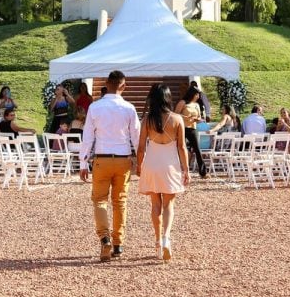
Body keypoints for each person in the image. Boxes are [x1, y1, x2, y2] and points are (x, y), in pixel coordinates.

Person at [79, 70, 140, 262]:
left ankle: (104, 238)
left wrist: (83, 161)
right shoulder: (129, 108)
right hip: (123, 158)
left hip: (102, 158)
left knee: (99, 200)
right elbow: (136, 137)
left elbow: (87, 136)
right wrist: (140, 160)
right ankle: (118, 244)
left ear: (107, 83)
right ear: (123, 86)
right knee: (120, 201)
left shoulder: (95, 107)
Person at [137, 83, 190, 262]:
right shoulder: (177, 119)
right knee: (169, 204)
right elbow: (182, 147)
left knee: (155, 204)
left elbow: (140, 147)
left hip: (151, 164)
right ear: (168, 98)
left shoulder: (146, 120)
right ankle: (166, 238)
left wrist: (139, 165)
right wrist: (186, 169)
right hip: (170, 165)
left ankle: (158, 241)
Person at [174, 86, 207, 178]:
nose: (198, 96)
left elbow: (200, 117)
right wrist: (185, 117)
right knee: (181, 148)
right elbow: (175, 114)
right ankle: (179, 169)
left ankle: (203, 172)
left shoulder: (196, 105)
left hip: (193, 128)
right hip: (182, 128)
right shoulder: (183, 102)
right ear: (192, 94)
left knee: (197, 149)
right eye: (197, 94)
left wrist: (197, 119)